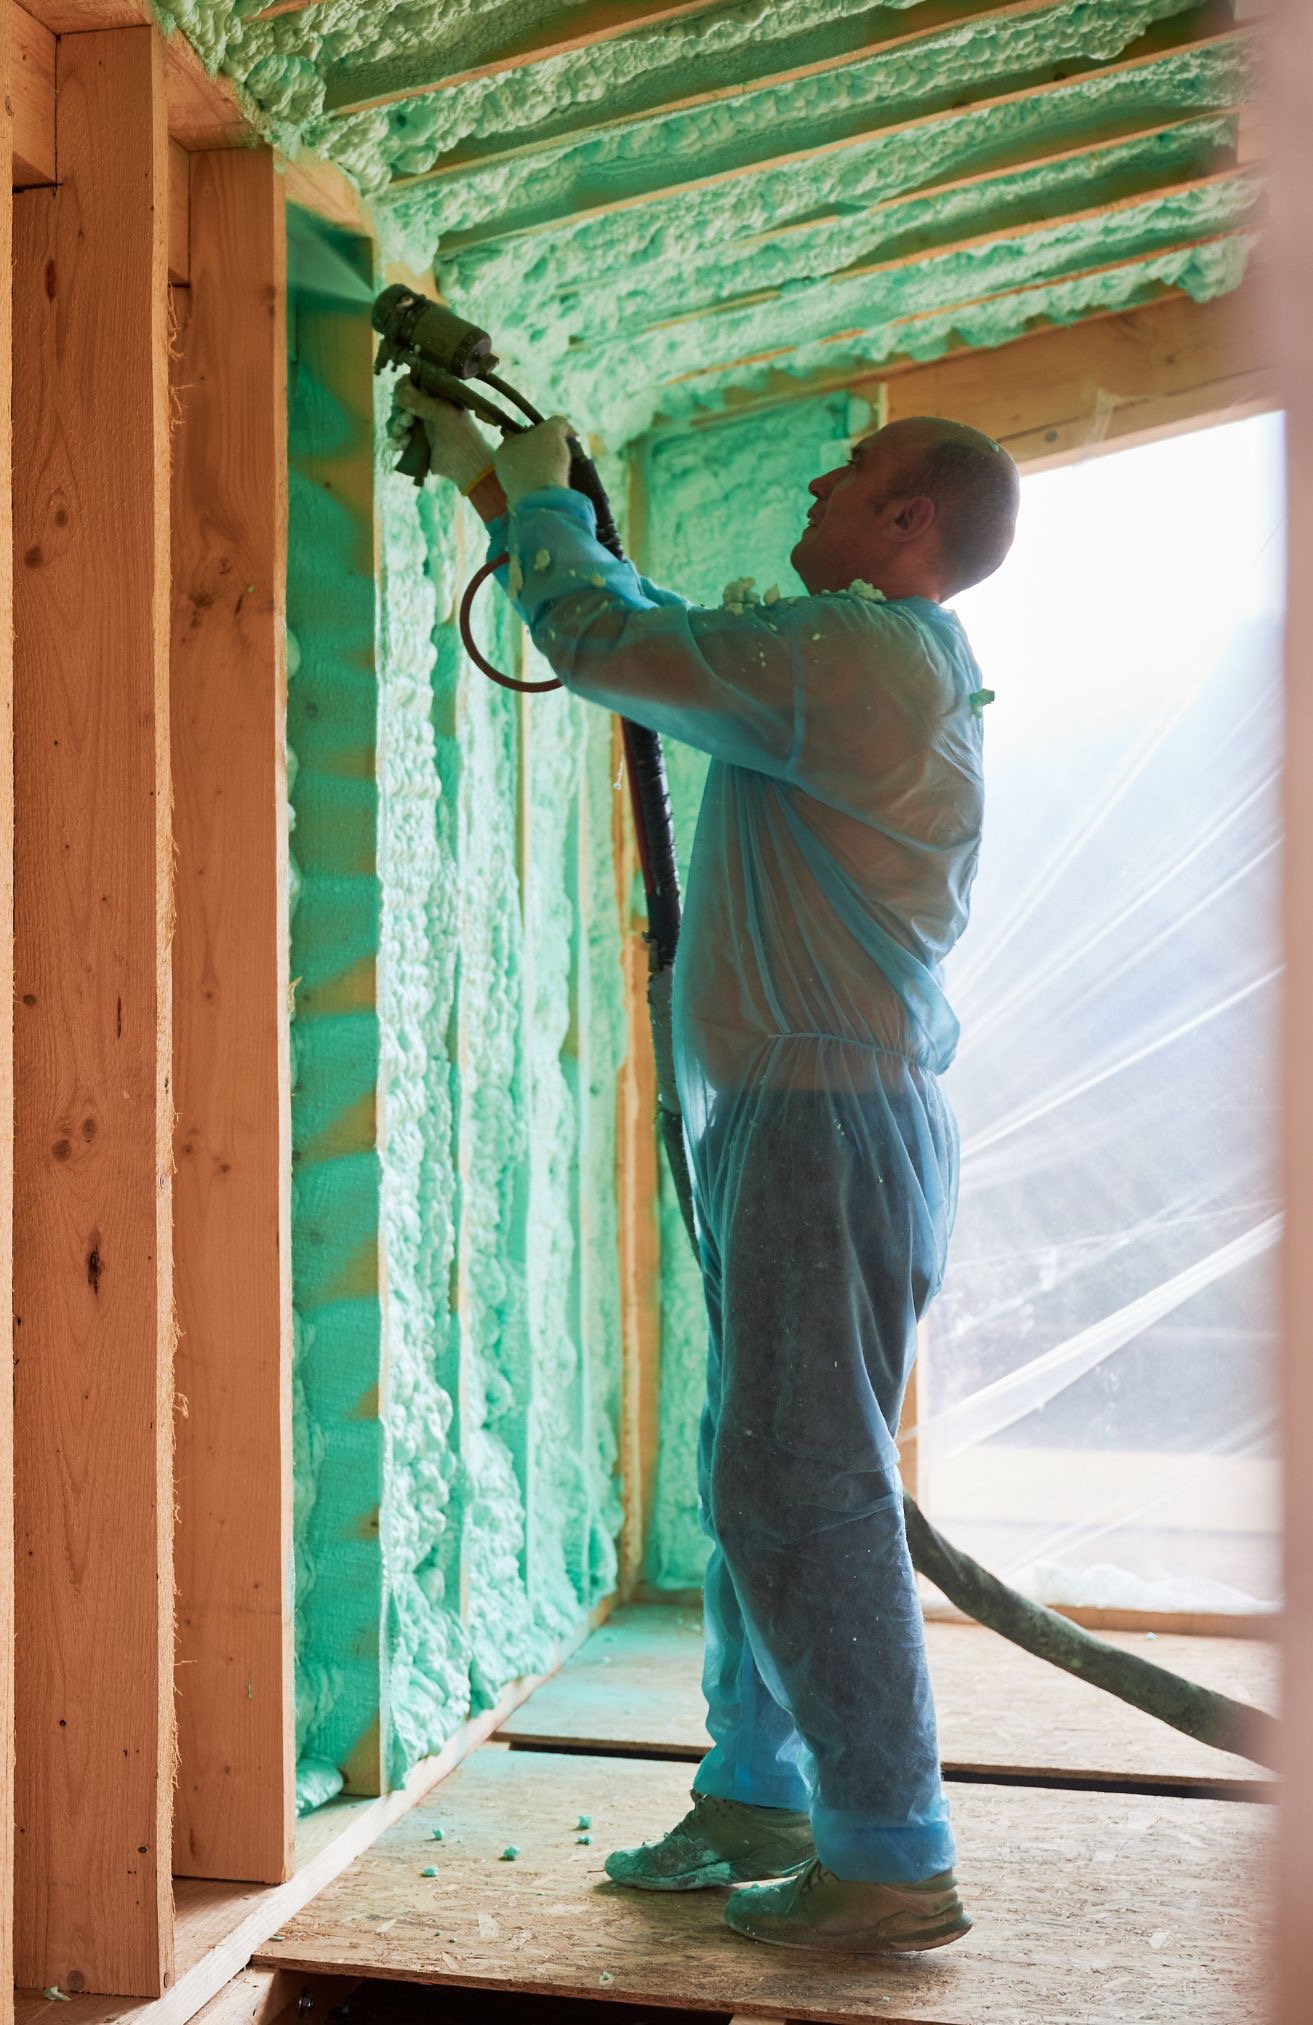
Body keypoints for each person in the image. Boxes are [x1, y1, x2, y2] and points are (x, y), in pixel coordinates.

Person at [394, 380, 1019, 1956]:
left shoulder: (866, 661)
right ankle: (759, 1788)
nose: (820, 476)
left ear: (908, 523)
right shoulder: (846, 665)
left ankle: (887, 1850)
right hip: (786, 1119)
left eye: (852, 466)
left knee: (797, 1480)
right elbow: (657, 633)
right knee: (764, 1465)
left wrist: (539, 504)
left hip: (821, 1121)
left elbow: (612, 645)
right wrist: (499, 489)